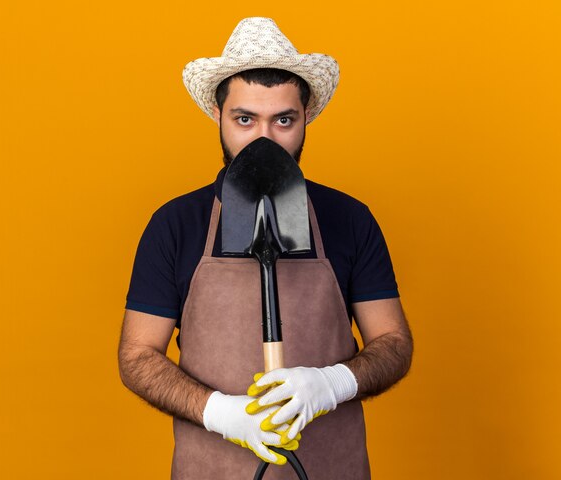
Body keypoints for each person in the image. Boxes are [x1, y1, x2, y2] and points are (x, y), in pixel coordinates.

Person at [118, 17, 413, 479]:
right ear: (218, 116)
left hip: (330, 468)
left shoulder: (348, 219)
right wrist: (220, 412)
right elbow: (137, 356)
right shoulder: (176, 224)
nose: (264, 140)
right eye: (244, 119)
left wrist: (331, 383)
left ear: (306, 118)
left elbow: (393, 343)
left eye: (283, 120)